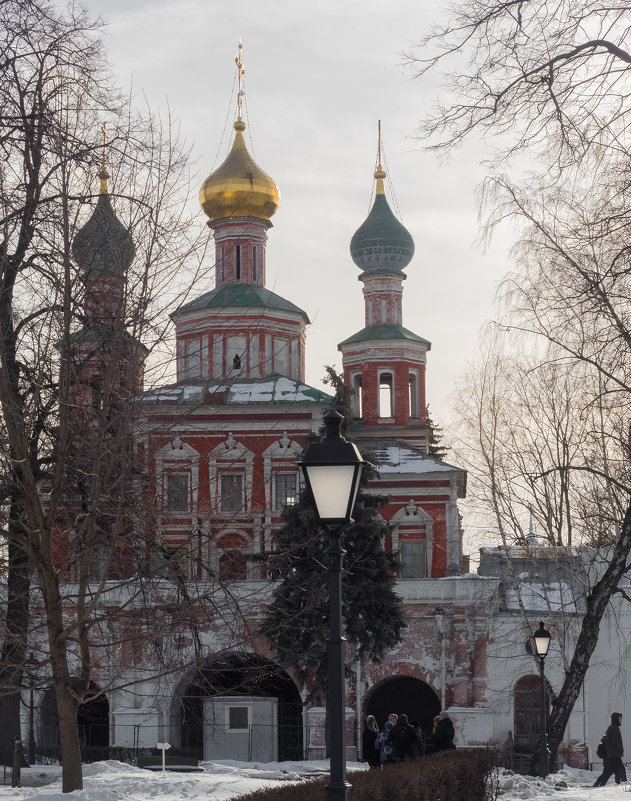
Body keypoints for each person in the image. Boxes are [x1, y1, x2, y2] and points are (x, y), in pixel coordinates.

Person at [594, 712, 626, 787]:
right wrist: (619, 750)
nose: (621, 720)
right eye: (620, 718)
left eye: (621, 718)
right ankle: (625, 784)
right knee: (614, 771)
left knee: (616, 771)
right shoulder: (614, 728)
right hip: (615, 754)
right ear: (616, 719)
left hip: (613, 754)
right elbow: (614, 742)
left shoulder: (612, 727)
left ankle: (622, 784)